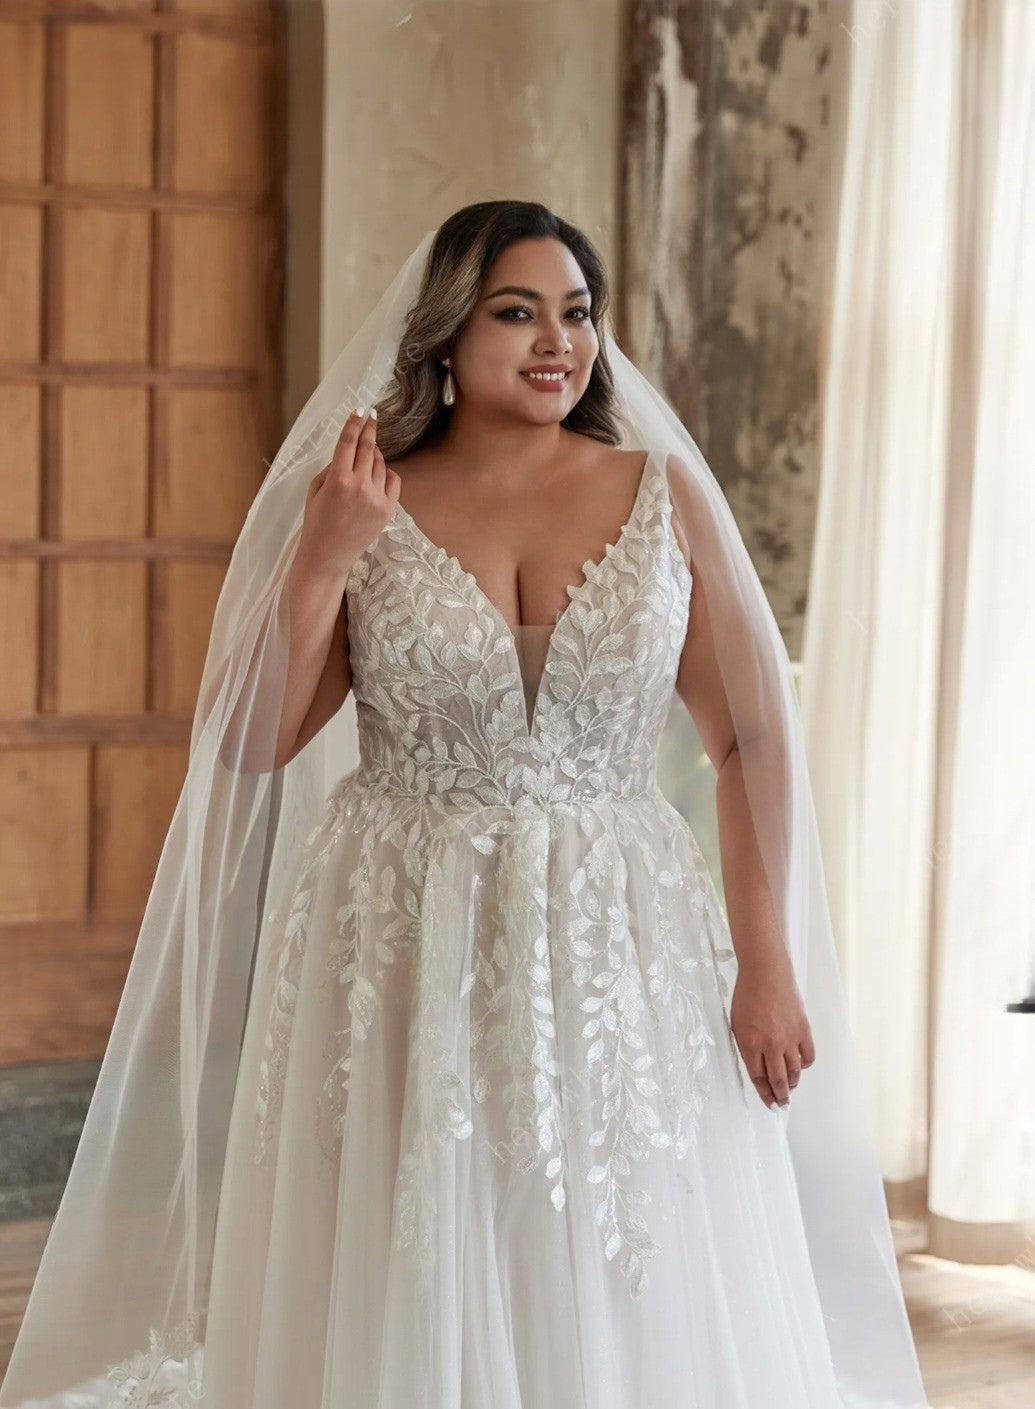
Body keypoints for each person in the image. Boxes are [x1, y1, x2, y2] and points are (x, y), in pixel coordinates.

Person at [0, 201, 930, 1408]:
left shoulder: (661, 494)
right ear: (446, 332)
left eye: (578, 313)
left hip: (615, 938)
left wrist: (769, 958)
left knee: (614, 1227)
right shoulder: (369, 500)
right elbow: (249, 740)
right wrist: (327, 554)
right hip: (403, 932)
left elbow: (751, 734)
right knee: (427, 1223)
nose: (559, 341)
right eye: (518, 311)